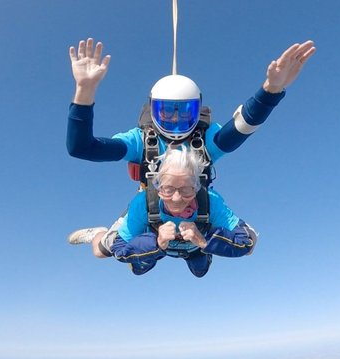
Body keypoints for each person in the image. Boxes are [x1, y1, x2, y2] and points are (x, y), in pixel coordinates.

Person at [66, 38, 316, 165]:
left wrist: (272, 88)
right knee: (128, 257)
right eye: (167, 112)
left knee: (199, 264)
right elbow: (81, 148)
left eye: (183, 113)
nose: (175, 121)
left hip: (196, 219)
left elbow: (245, 125)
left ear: (197, 111)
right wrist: (84, 89)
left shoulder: (205, 140)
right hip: (152, 216)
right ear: (152, 111)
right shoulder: (140, 142)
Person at [69, 147, 257, 278]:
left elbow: (247, 242)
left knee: (200, 271)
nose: (176, 198)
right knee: (109, 256)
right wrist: (156, 243)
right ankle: (100, 234)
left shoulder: (210, 200)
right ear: (157, 188)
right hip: (150, 236)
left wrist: (204, 240)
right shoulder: (143, 203)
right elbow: (120, 250)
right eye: (168, 189)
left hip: (194, 245)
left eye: (186, 190)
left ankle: (204, 248)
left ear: (197, 187)